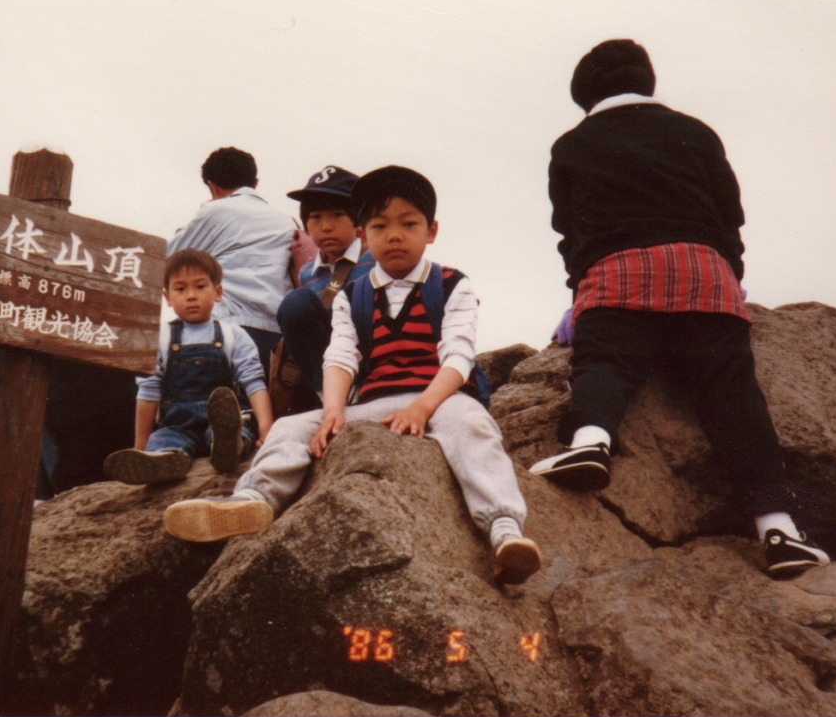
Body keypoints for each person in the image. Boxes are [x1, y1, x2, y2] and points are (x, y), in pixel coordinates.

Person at [531, 38, 829, 579]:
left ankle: (591, 440)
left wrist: (582, 292)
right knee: (734, 397)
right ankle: (778, 526)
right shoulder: (696, 132)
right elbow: (729, 216)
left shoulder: (571, 145)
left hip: (616, 271)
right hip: (702, 271)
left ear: (584, 98)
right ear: (648, 82)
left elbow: (569, 229)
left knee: (605, 365)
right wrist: (728, 280)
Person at [162, 166, 542, 586]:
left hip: (441, 397)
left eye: (408, 223)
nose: (394, 235)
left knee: (473, 427)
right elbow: (341, 356)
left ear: (431, 230)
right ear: (364, 234)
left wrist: (423, 406)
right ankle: (252, 500)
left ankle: (504, 529)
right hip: (374, 401)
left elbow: (459, 354)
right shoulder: (353, 293)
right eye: (380, 225)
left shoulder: (452, 284)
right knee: (291, 428)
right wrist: (332, 411)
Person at [102, 249, 274, 484]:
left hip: (225, 421)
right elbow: (148, 392)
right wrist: (140, 447)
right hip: (177, 425)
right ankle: (163, 461)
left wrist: (266, 428)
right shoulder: (159, 339)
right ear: (168, 297)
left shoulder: (233, 335)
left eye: (200, 287)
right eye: (181, 289)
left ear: (218, 292)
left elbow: (253, 382)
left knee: (237, 428)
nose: (191, 296)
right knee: (163, 442)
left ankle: (228, 447)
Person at [168, 147, 298, 370]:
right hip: (277, 338)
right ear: (255, 183)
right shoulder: (288, 221)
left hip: (226, 330)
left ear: (212, 185)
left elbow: (168, 260)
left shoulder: (215, 211)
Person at [274, 165, 376, 398]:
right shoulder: (308, 273)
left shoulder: (376, 259)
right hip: (330, 368)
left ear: (358, 220)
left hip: (371, 358)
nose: (326, 226)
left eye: (337, 215)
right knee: (295, 303)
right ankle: (329, 396)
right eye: (315, 217)